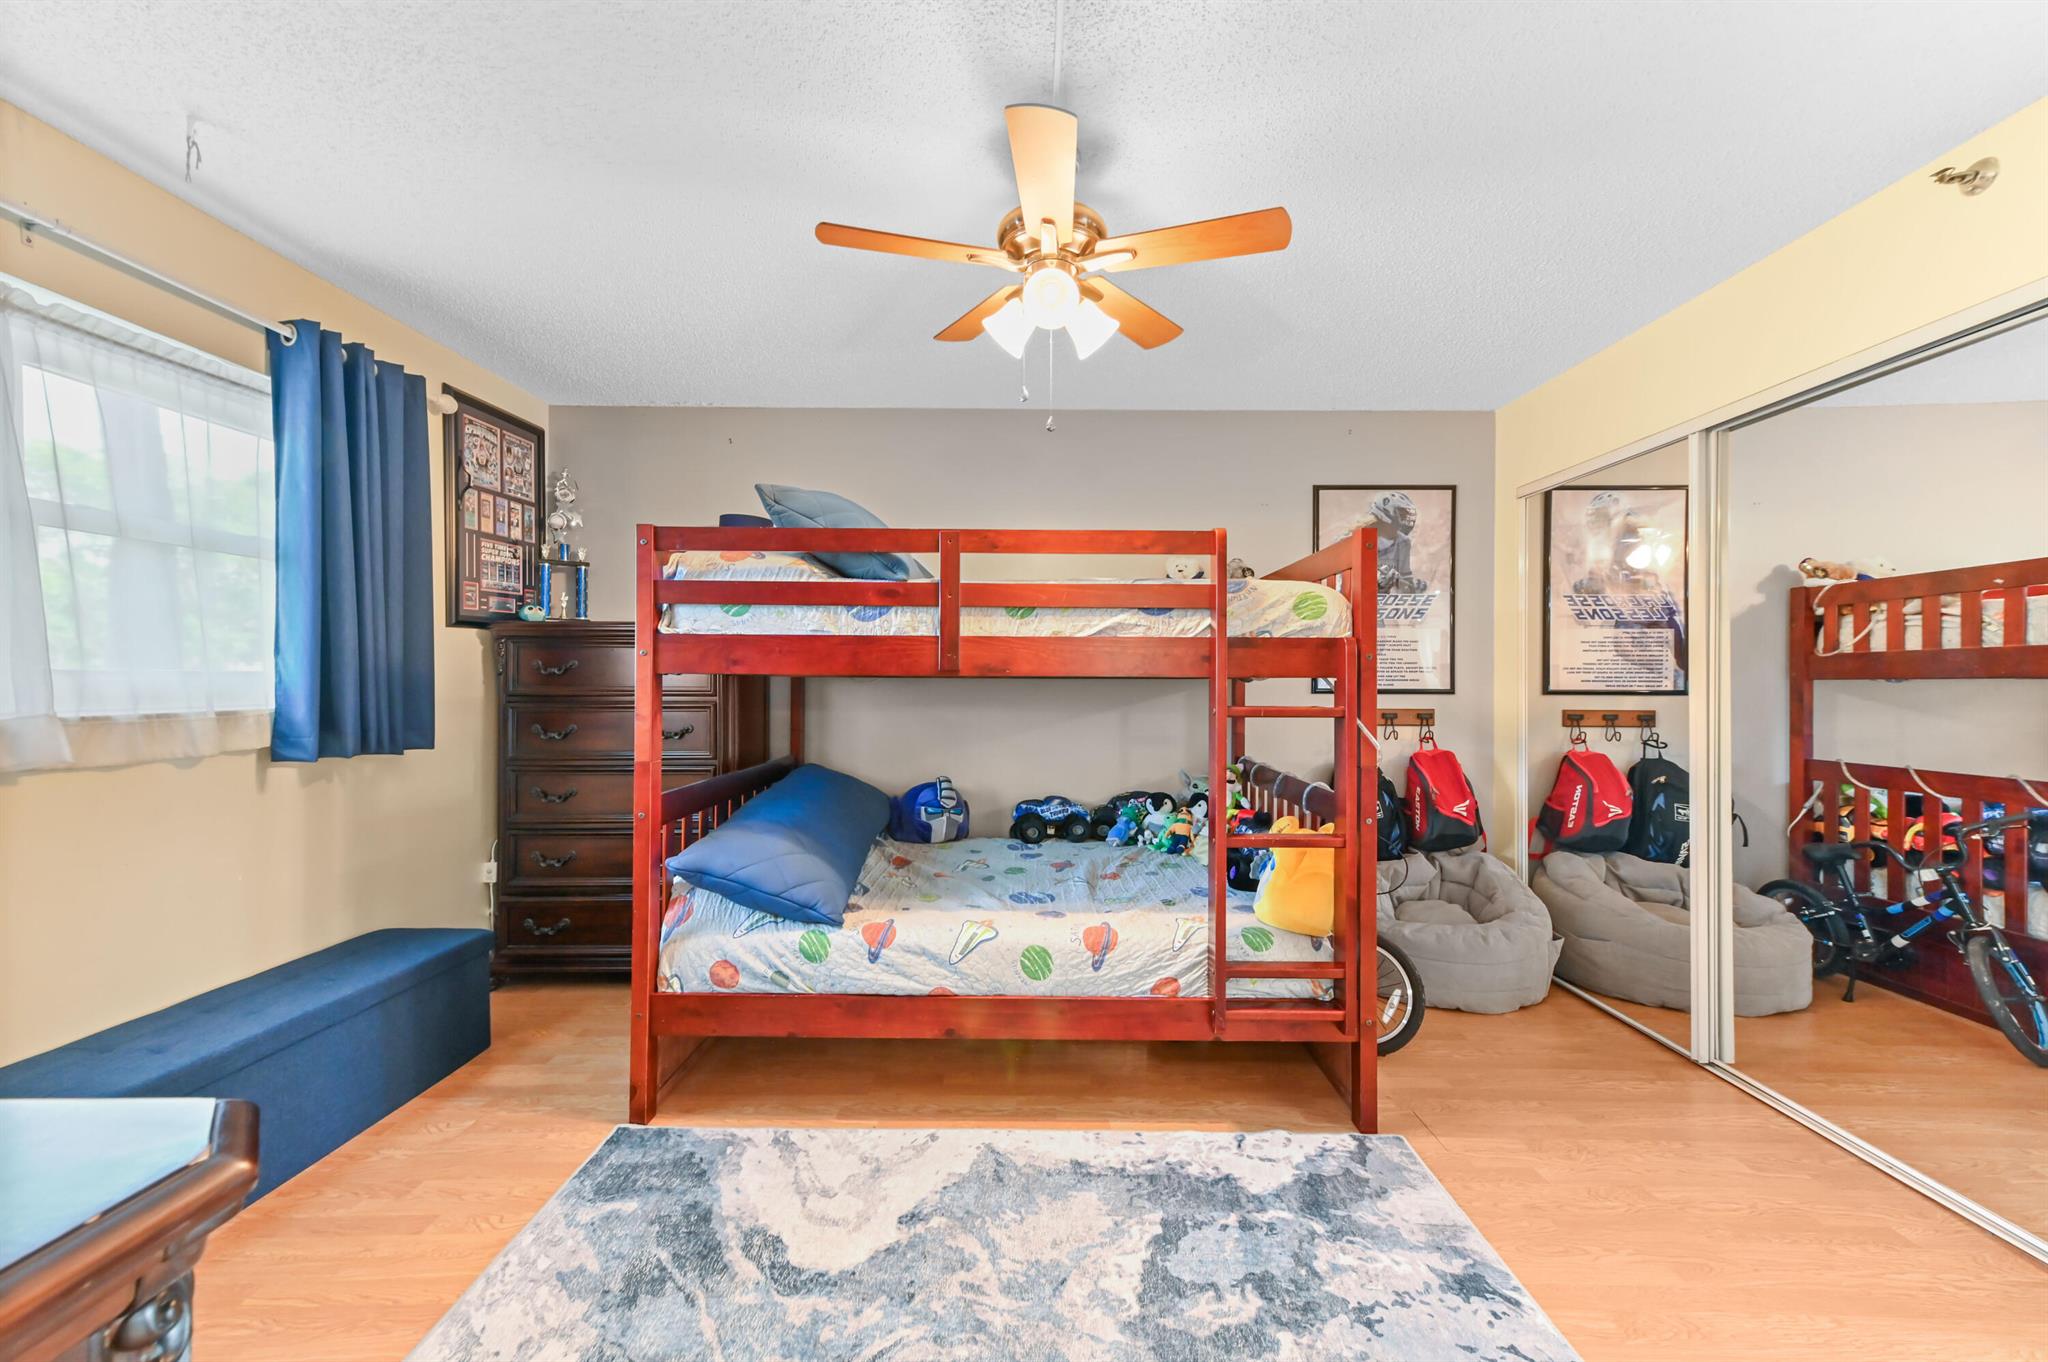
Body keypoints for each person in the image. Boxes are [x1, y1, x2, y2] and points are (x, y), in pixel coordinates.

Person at [1368, 491, 1428, 593]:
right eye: (1402, 514)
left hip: (1386, 599)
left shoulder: (1403, 542)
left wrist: (1409, 586)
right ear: (1385, 513)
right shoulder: (1358, 538)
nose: (1406, 520)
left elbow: (1404, 577)